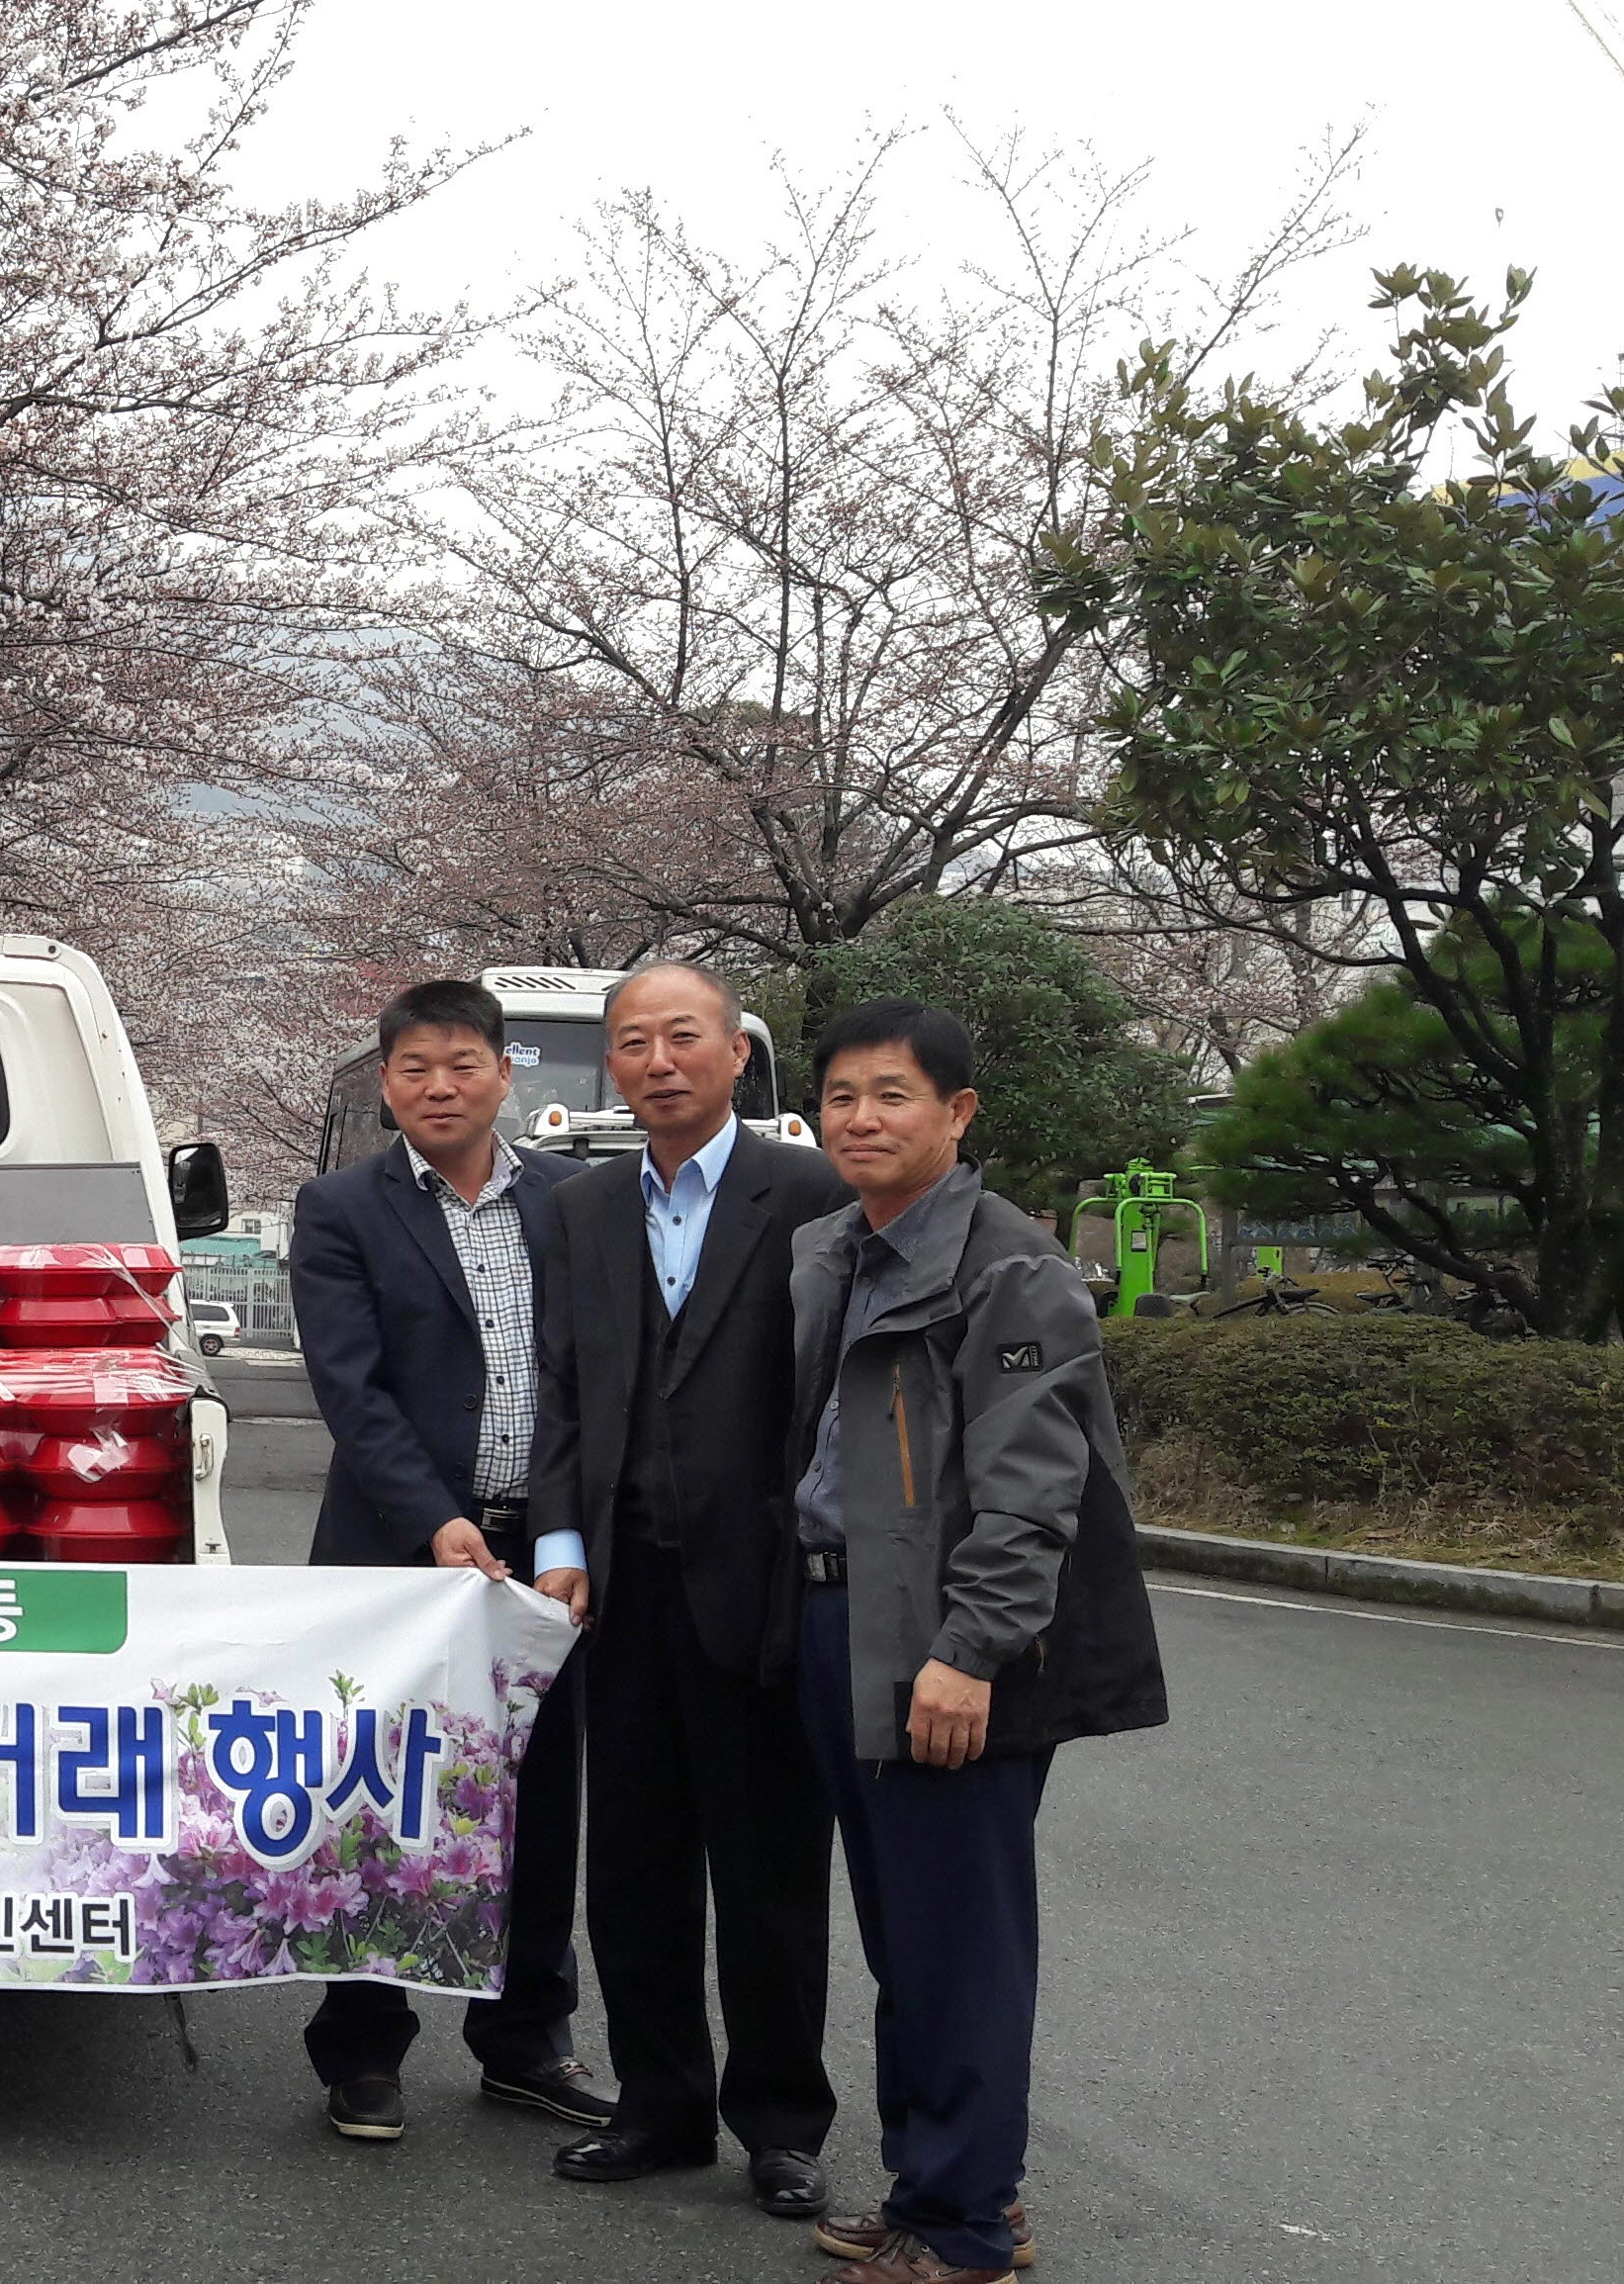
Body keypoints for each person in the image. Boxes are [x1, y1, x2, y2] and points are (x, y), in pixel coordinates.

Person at [786, 999, 1169, 2283]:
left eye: (891, 1094)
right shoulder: (835, 1248)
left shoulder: (1011, 1267)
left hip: (945, 1639)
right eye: (841, 1095)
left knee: (959, 1937)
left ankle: (962, 2230)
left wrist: (969, 1651)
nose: (860, 1118)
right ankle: (945, 2189)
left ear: (957, 1113)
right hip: (840, 1611)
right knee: (908, 1931)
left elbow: (1030, 1492)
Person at [529, 962, 847, 2220]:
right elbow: (560, 1387)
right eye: (632, 1043)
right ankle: (659, 2107)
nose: (657, 1062)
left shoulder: (811, 1192)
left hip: (765, 1582)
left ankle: (781, 2123)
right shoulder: (582, 1207)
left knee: (771, 1869)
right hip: (623, 1584)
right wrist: (562, 1540)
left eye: (682, 1037)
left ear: (735, 1055)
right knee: (634, 1864)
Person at [287, 978, 602, 2146]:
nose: (440, 1086)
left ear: (505, 1074)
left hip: (540, 1553)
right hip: (396, 1555)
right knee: (380, 1797)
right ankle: (363, 2049)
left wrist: (561, 1532)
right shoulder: (340, 1208)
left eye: (463, 1064)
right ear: (386, 1084)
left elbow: (589, 1382)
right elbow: (352, 1388)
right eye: (414, 1068)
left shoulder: (573, 1202)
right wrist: (433, 1517)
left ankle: (525, 2042)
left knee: (538, 1795)